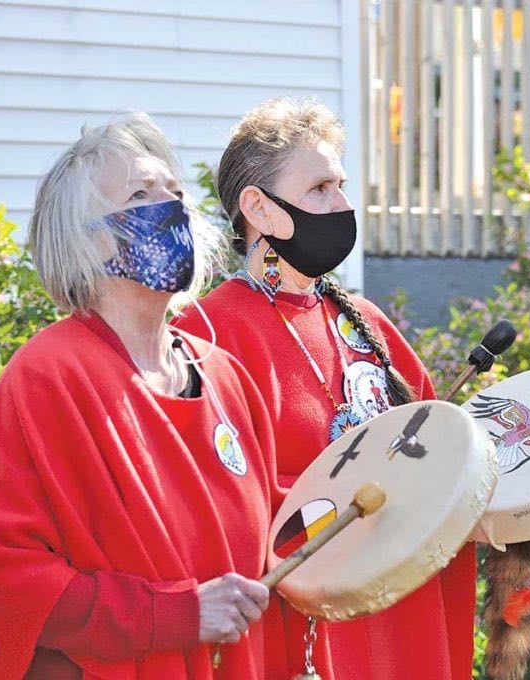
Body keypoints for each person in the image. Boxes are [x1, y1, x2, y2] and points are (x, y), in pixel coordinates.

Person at [174, 97, 475, 680]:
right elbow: (211, 495)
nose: (341, 204)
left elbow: (437, 456)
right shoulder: (205, 331)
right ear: (258, 208)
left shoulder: (364, 320)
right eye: (320, 188)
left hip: (396, 613)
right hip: (300, 627)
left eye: (341, 185)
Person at [0, 114, 279, 678]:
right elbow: (6, 574)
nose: (174, 206)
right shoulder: (47, 375)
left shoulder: (226, 375)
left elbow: (270, 523)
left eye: (176, 192)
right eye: (143, 193)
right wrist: (177, 615)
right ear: (87, 239)